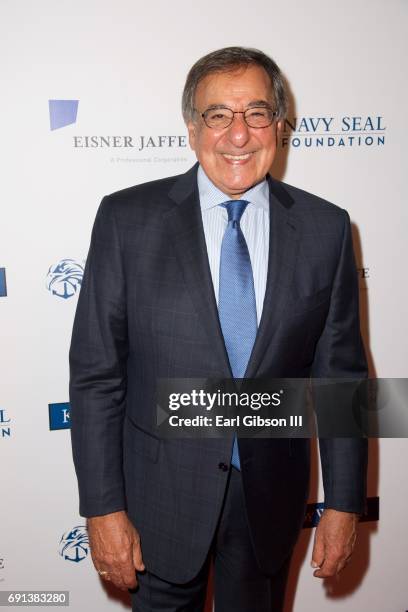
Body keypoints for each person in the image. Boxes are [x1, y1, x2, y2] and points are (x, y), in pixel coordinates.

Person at [69, 46, 368, 612]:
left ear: (279, 125)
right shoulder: (125, 220)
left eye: (256, 113)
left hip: (270, 505)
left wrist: (344, 503)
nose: (239, 134)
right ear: (191, 127)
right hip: (156, 505)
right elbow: (95, 376)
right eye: (218, 115)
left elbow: (342, 382)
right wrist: (102, 509)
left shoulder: (326, 228)